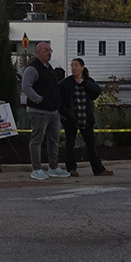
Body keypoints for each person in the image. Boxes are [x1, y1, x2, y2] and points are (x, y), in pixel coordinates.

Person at [21, 41, 71, 180]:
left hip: (53, 112)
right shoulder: (32, 69)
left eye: (50, 50)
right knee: (37, 140)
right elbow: (26, 87)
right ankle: (37, 169)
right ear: (38, 52)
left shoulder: (49, 68)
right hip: (38, 112)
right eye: (46, 50)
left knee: (53, 140)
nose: (49, 53)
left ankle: (53, 167)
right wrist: (39, 100)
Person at [58, 57, 113, 177]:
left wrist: (83, 83)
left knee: (91, 144)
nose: (73, 68)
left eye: (76, 65)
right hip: (71, 119)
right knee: (70, 144)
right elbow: (59, 99)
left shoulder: (88, 81)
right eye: (72, 66)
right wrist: (66, 113)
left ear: (82, 67)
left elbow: (96, 92)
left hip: (86, 118)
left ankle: (98, 169)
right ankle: (71, 168)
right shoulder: (66, 83)